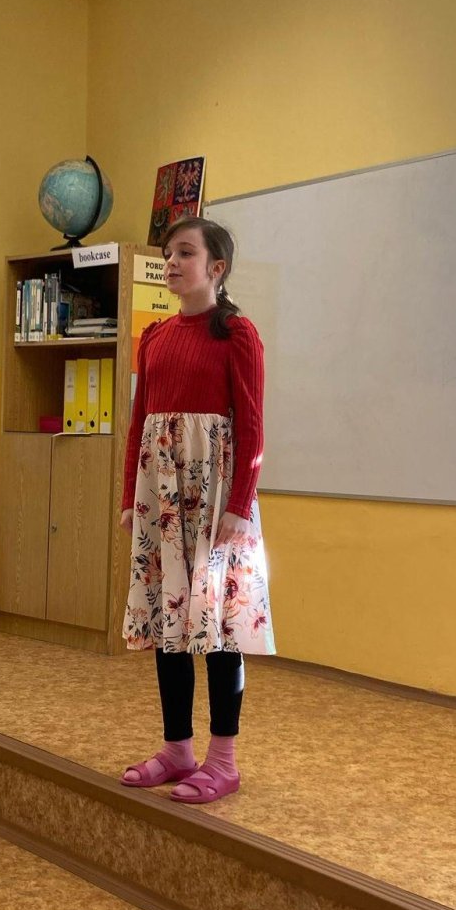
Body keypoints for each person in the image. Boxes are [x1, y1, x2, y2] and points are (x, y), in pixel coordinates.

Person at [119, 217, 275, 803]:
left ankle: (223, 761)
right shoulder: (154, 337)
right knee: (171, 624)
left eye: (185, 252)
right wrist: (129, 499)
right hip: (161, 498)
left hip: (216, 502)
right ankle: (177, 750)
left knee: (218, 627)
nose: (171, 262)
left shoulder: (236, 333)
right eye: (168, 253)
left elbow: (252, 427)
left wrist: (239, 505)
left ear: (216, 267)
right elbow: (139, 423)